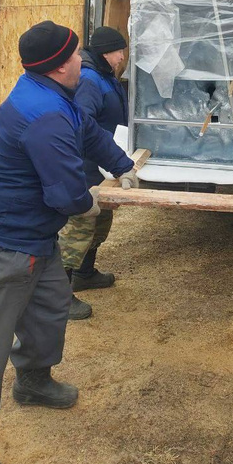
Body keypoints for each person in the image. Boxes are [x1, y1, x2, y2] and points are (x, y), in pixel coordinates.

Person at [0, 21, 134, 464]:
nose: (81, 61)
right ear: (62, 64)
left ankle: (33, 381)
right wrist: (95, 200)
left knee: (48, 309)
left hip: (33, 237)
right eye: (75, 55)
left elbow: (89, 133)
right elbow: (69, 195)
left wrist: (125, 167)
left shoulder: (53, 95)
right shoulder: (43, 113)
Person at [59, 26, 137, 320]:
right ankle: (59, 296)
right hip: (87, 168)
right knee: (78, 229)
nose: (121, 58)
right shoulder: (91, 80)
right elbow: (82, 125)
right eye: (120, 52)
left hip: (102, 165)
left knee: (101, 221)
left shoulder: (104, 75)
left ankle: (85, 273)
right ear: (107, 52)